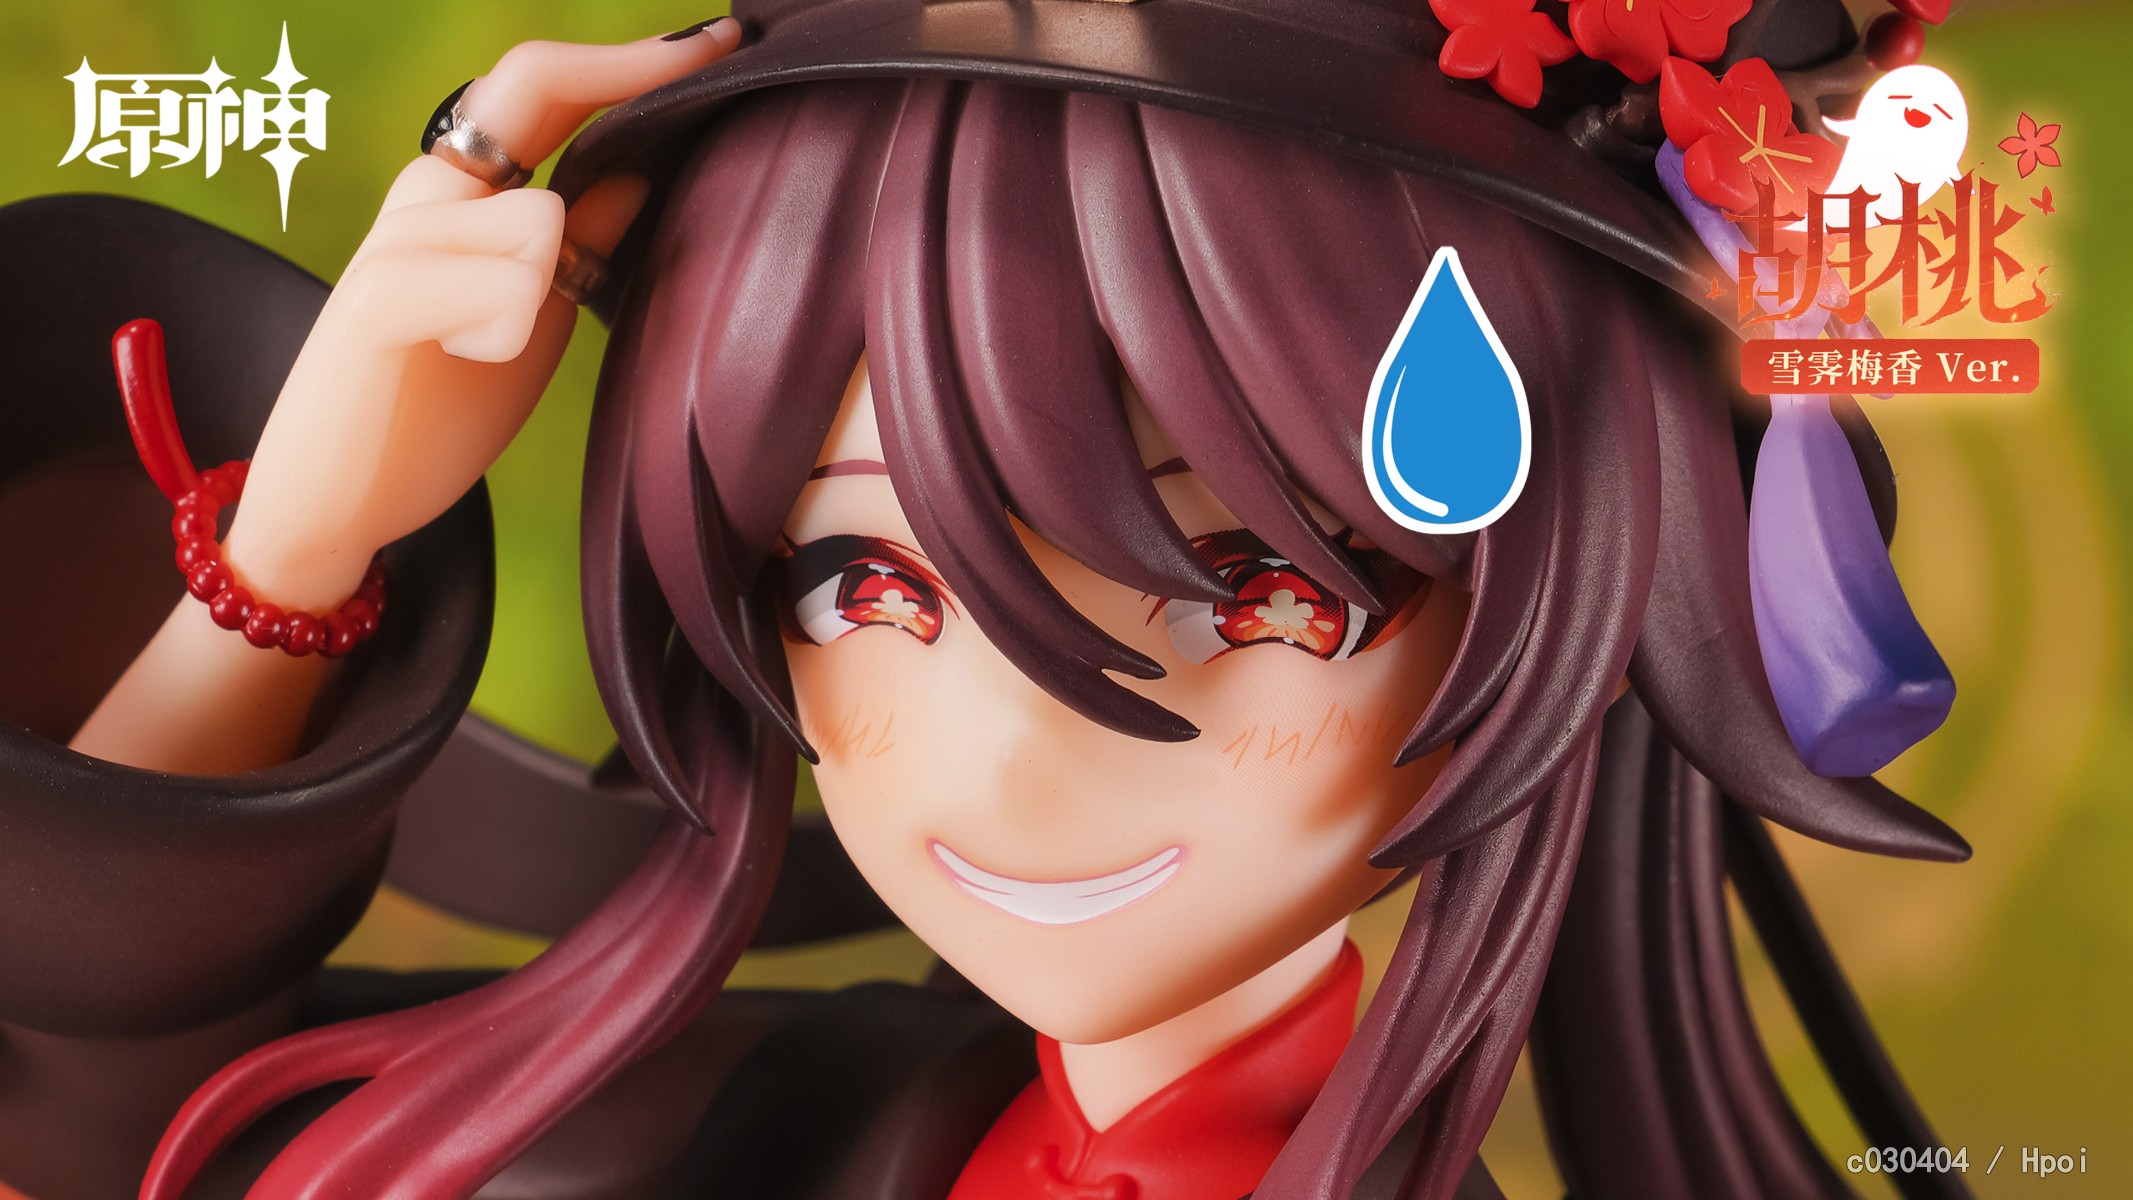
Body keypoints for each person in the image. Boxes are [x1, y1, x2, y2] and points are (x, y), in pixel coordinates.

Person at [0, 1, 1974, 1197]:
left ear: (1587, 592)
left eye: (1247, 589)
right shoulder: (760, 1122)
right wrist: (299, 545)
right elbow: (101, 1128)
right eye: (856, 581)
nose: (1008, 761)